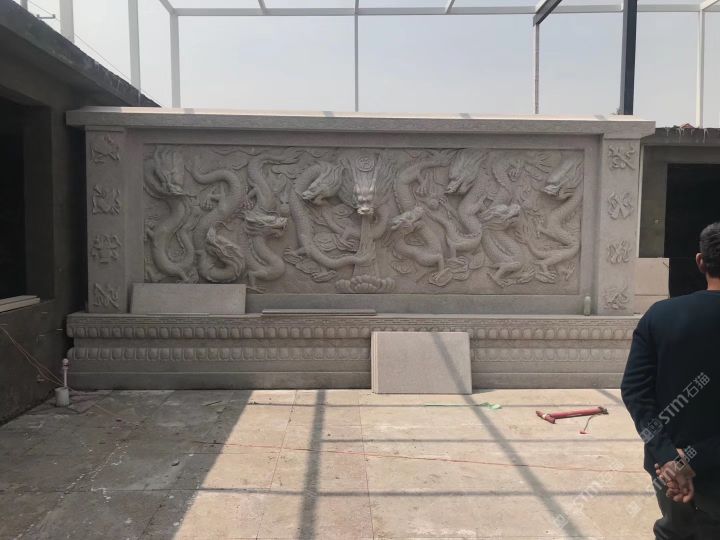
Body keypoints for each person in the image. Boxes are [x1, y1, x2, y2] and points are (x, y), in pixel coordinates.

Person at [622, 221, 720, 539]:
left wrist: (669, 457)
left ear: (700, 261)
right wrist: (696, 459)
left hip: (669, 471)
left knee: (676, 531)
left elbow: (635, 392)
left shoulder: (659, 316)